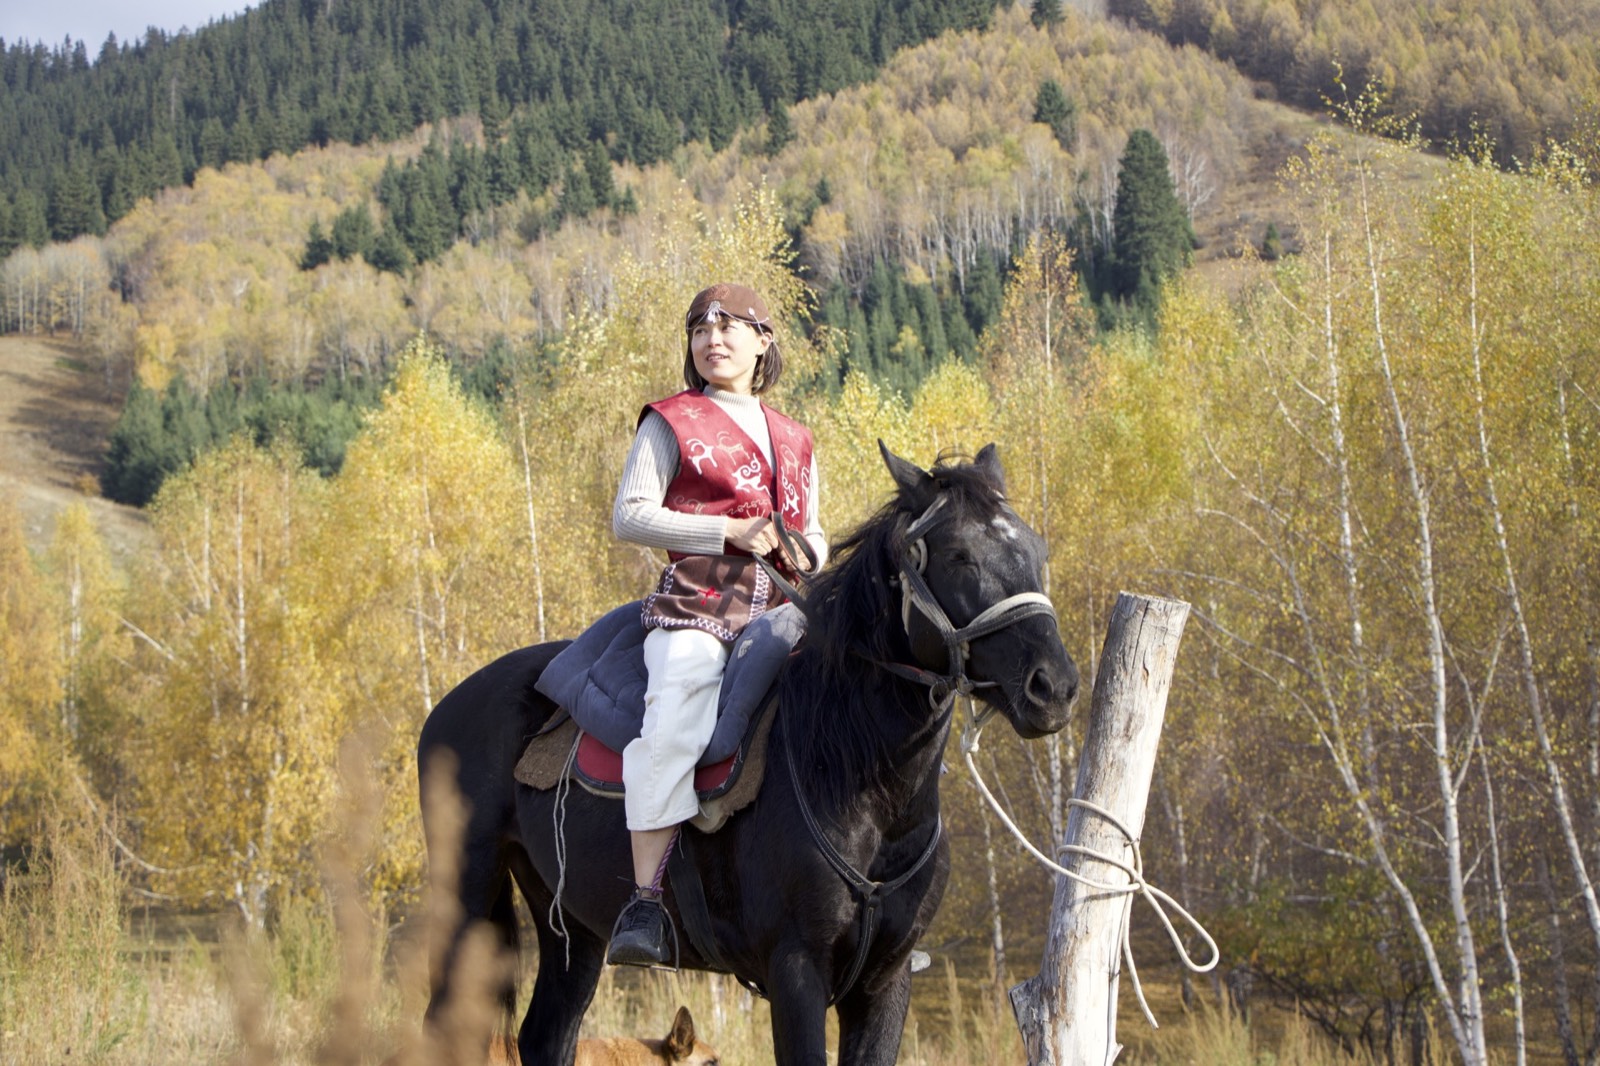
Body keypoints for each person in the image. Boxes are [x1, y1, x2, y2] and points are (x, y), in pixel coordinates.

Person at [605, 282, 827, 967]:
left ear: (765, 342)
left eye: (730, 326)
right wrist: (729, 530)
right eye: (700, 327)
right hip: (699, 604)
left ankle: (859, 897)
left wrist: (806, 550)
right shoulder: (669, 421)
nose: (712, 338)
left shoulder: (796, 436)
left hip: (787, 607)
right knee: (671, 721)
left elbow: (816, 530)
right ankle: (645, 903)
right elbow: (630, 516)